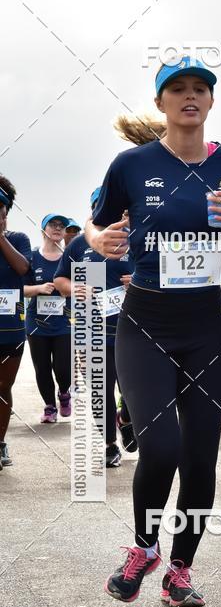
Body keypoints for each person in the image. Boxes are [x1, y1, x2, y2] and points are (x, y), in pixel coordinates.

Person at [86, 55, 221, 607]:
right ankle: (144, 549)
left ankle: (180, 570)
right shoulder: (131, 165)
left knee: (201, 458)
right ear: (160, 102)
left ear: (211, 101)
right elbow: (96, 223)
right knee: (160, 448)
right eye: (178, 89)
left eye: (199, 89)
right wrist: (97, 241)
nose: (190, 96)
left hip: (208, 325)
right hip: (146, 323)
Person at [54, 195, 136, 468]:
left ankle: (126, 419)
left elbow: (158, 275)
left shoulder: (135, 239)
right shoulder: (80, 244)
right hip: (92, 332)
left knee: (133, 390)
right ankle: (110, 445)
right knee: (101, 391)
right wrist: (73, 288)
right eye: (99, 204)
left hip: (131, 331)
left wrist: (138, 281)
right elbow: (60, 279)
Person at [24, 214, 72, 423]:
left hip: (64, 322)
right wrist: (39, 288)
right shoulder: (32, 257)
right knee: (41, 367)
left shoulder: (69, 257)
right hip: (37, 322)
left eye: (62, 226)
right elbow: (20, 289)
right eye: (53, 224)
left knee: (63, 368)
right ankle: (50, 407)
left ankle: (64, 392)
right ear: (43, 229)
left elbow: (87, 284)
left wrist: (68, 289)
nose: (58, 228)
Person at [0, 174, 31, 469]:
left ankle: (0, 443)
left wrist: (0, 237)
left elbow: (22, 268)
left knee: (3, 387)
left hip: (10, 332)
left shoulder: (18, 239)